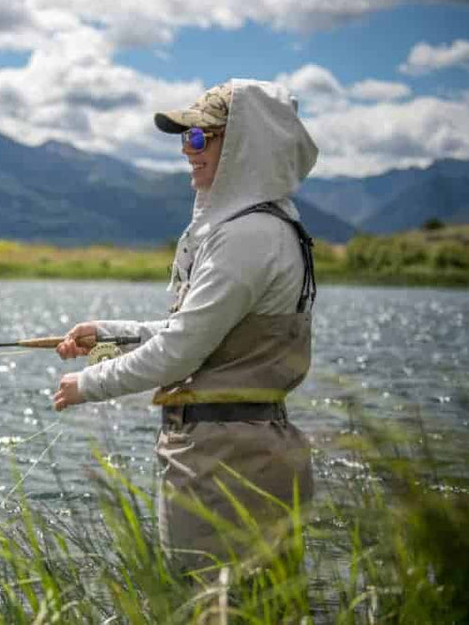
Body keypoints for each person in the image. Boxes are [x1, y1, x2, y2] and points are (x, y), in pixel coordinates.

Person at [52, 80, 318, 574]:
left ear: (241, 146)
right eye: (184, 137)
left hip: (227, 462)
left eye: (199, 138)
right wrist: (107, 334)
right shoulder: (260, 227)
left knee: (209, 603)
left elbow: (182, 351)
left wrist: (87, 383)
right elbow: (204, 334)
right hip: (237, 452)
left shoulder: (247, 237)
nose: (185, 149)